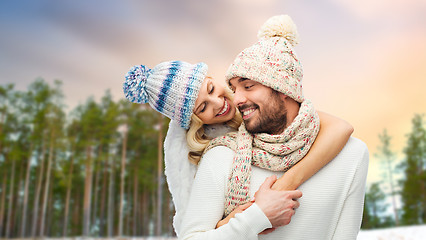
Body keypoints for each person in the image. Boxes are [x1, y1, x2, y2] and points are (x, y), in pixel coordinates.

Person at [123, 47, 352, 236]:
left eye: (211, 89)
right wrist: (246, 217)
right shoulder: (212, 154)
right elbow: (197, 228)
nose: (218, 102)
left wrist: (285, 185)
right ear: (194, 120)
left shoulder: (256, 103)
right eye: (203, 107)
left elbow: (341, 128)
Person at [178, 15, 369, 239]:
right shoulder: (221, 156)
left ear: (283, 88)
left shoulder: (352, 154)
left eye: (248, 86)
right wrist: (255, 217)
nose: (236, 99)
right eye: (234, 88)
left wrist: (287, 182)